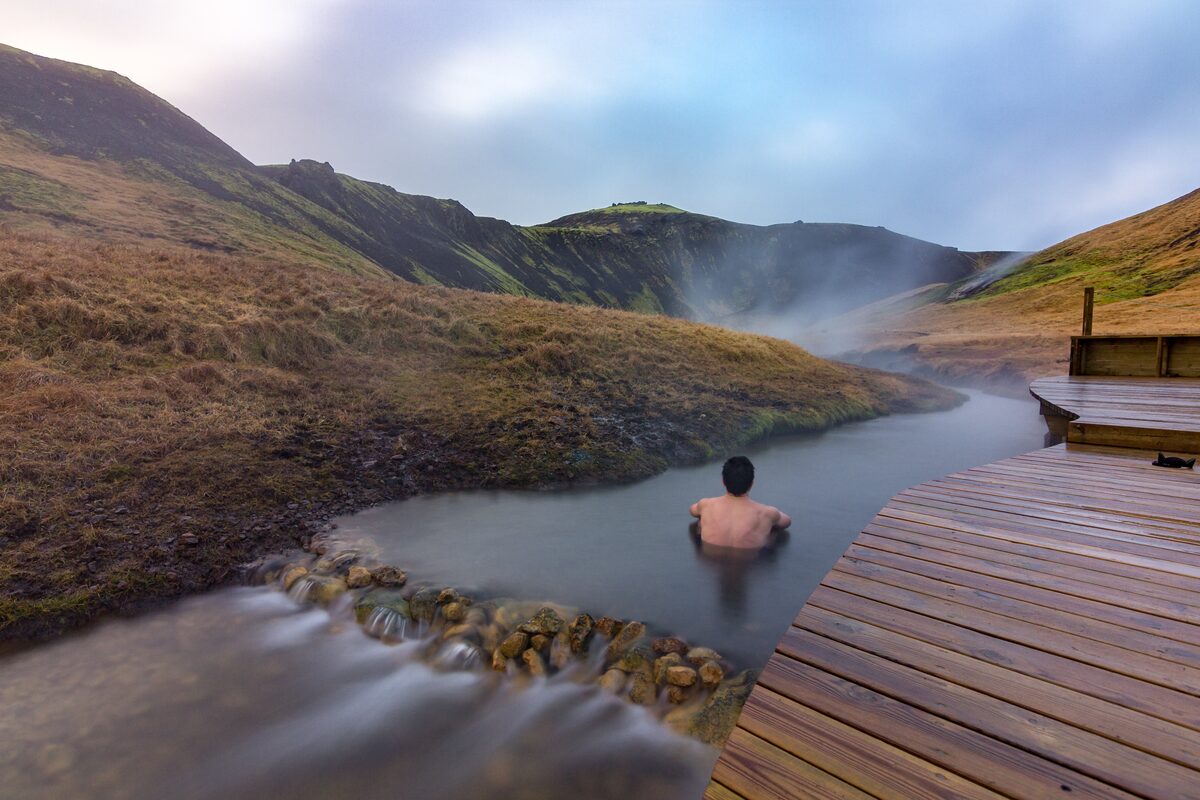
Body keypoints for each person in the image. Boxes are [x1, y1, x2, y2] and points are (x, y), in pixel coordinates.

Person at [689, 456, 791, 549]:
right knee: (773, 531)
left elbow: (692, 510)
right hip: (752, 559)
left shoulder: (706, 505)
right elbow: (786, 522)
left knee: (700, 523)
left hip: (710, 559)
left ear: (723, 482)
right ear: (751, 484)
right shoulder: (766, 513)